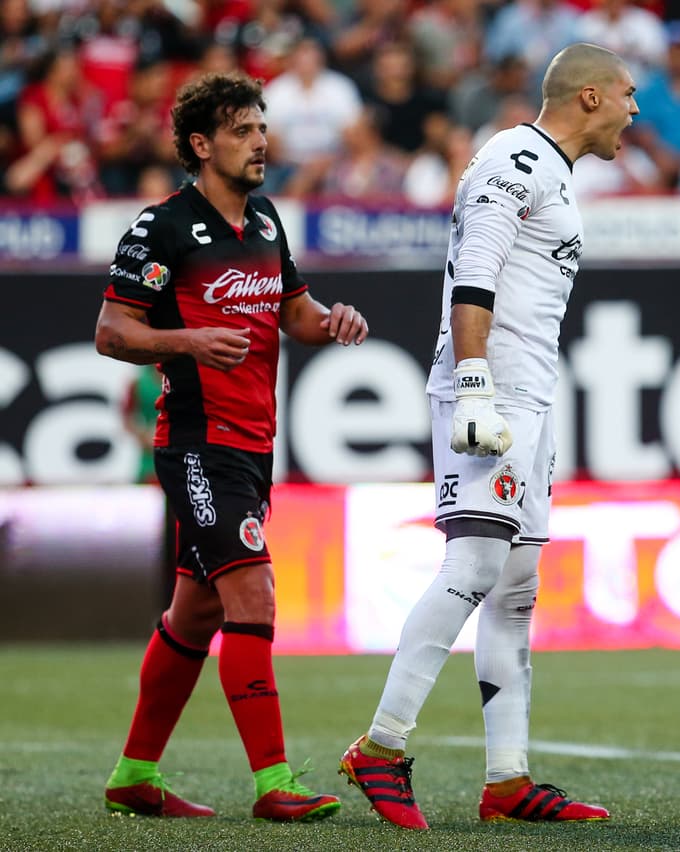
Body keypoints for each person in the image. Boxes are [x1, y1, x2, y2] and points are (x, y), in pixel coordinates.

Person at [338, 42, 635, 831]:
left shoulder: (556, 174)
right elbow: (477, 270)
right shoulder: (515, 156)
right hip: (492, 391)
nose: (637, 111)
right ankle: (382, 745)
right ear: (592, 97)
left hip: (530, 394)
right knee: (473, 564)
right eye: (629, 95)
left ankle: (508, 780)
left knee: (517, 586)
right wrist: (474, 381)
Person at [95, 71, 368, 822]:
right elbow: (112, 333)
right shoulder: (162, 228)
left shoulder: (267, 222)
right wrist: (185, 339)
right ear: (200, 144)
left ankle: (132, 774)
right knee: (253, 593)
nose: (261, 142)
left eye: (261, 128)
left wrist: (333, 320)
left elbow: (296, 314)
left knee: (193, 614)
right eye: (244, 130)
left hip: (253, 446)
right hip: (196, 444)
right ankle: (274, 783)